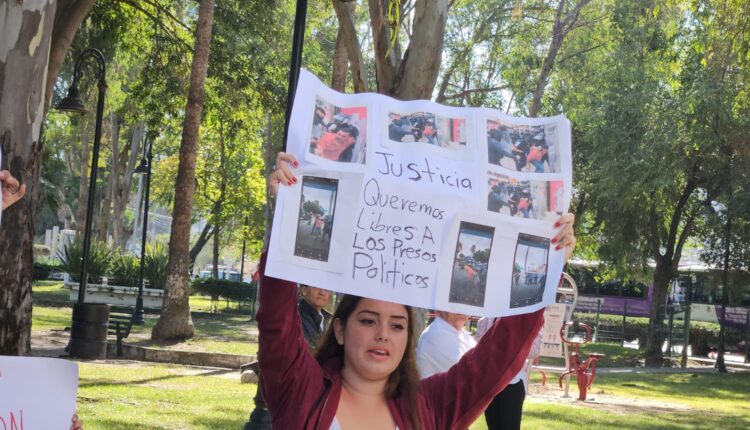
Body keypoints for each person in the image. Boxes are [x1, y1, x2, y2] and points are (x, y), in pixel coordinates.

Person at [259, 152, 576, 429]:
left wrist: (547, 264)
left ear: (408, 336)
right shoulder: (300, 389)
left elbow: (498, 356)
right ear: (339, 329)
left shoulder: (430, 406)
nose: (383, 334)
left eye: (397, 324)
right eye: (368, 320)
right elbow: (278, 322)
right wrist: (288, 214)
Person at [476, 318, 543, 430]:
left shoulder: (529, 318)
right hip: (489, 382)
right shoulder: (487, 318)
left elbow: (534, 351)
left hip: (512, 382)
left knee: (509, 426)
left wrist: (512, 338)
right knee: (493, 425)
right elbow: (477, 346)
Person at [416, 311, 475, 379]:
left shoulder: (460, 333)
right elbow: (470, 374)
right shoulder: (436, 334)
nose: (461, 309)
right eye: (455, 301)